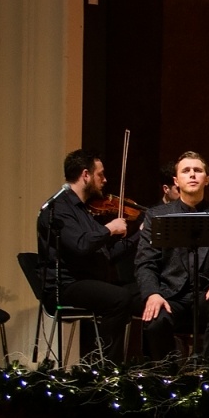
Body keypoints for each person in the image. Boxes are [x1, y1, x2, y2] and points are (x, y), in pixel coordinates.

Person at [134, 151, 209, 363]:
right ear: (176, 181)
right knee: (155, 318)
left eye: (198, 170)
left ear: (207, 179)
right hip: (171, 296)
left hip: (208, 294)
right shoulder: (157, 216)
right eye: (186, 171)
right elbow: (145, 263)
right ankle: (169, 376)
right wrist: (153, 293)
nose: (192, 174)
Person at [36, 150, 139, 363]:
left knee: (140, 292)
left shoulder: (83, 211)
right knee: (119, 298)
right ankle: (107, 367)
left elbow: (106, 255)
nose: (105, 180)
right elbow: (81, 246)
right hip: (65, 286)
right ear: (86, 175)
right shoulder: (58, 209)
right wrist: (109, 229)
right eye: (100, 174)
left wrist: (141, 235)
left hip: (86, 280)